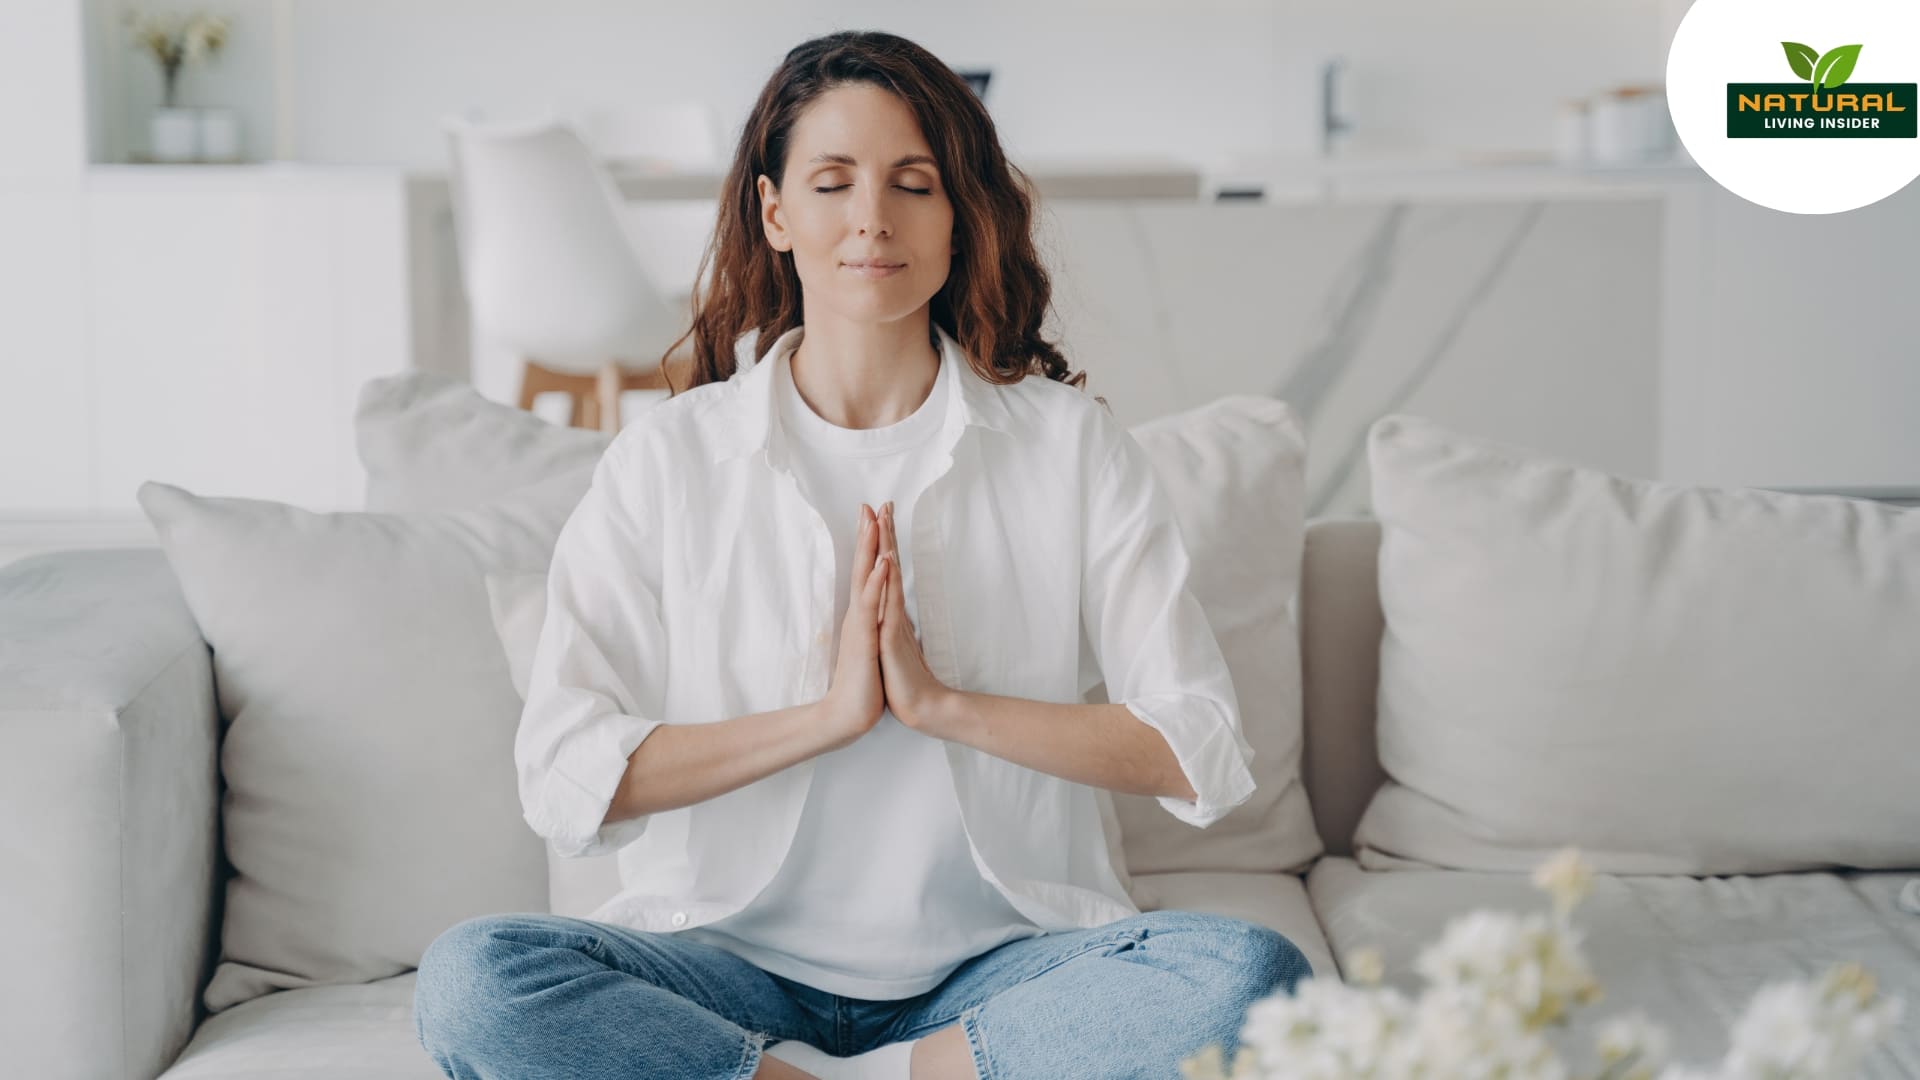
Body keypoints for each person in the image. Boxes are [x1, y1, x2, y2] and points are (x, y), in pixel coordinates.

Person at [412, 29, 1309, 1080]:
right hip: (726, 966)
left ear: (960, 214)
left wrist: (943, 707)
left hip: (1001, 972)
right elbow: (564, 773)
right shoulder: (670, 457)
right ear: (776, 212)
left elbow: (1196, 746)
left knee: (1252, 974)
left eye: (913, 184)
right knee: (473, 979)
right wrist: (824, 720)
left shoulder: (1067, 446)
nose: (872, 219)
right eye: (832, 183)